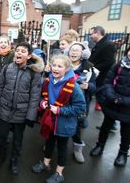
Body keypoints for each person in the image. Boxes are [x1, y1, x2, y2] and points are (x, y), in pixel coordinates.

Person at [32, 54, 86, 183]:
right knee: (49, 143)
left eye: (59, 66)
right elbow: (43, 97)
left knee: (62, 148)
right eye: (53, 65)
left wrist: (61, 110)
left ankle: (59, 173)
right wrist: (43, 103)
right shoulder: (48, 81)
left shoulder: (74, 86)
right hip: (50, 121)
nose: (55, 68)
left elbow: (80, 106)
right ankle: (45, 163)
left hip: (64, 123)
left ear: (67, 69)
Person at [0, 42, 44, 175]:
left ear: (29, 56)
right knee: (1, 136)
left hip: (21, 112)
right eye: (17, 50)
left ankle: (14, 161)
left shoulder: (34, 73)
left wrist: (30, 116)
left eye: (23, 51)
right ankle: (0, 156)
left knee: (17, 140)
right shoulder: (7, 68)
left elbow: (34, 96)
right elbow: (0, 87)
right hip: (4, 109)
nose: (19, 53)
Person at [64, 41, 97, 163]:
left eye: (77, 50)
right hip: (62, 102)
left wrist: (88, 86)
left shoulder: (89, 68)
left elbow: (95, 86)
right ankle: (52, 144)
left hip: (79, 104)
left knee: (77, 127)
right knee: (58, 123)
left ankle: (77, 148)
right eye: (72, 50)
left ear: (83, 53)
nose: (74, 52)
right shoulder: (62, 64)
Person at [88, 26, 115, 111]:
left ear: (97, 33)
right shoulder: (100, 44)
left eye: (91, 34)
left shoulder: (107, 45)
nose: (90, 36)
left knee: (103, 101)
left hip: (102, 78)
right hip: (97, 77)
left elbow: (109, 62)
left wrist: (94, 68)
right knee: (100, 99)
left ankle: (110, 123)